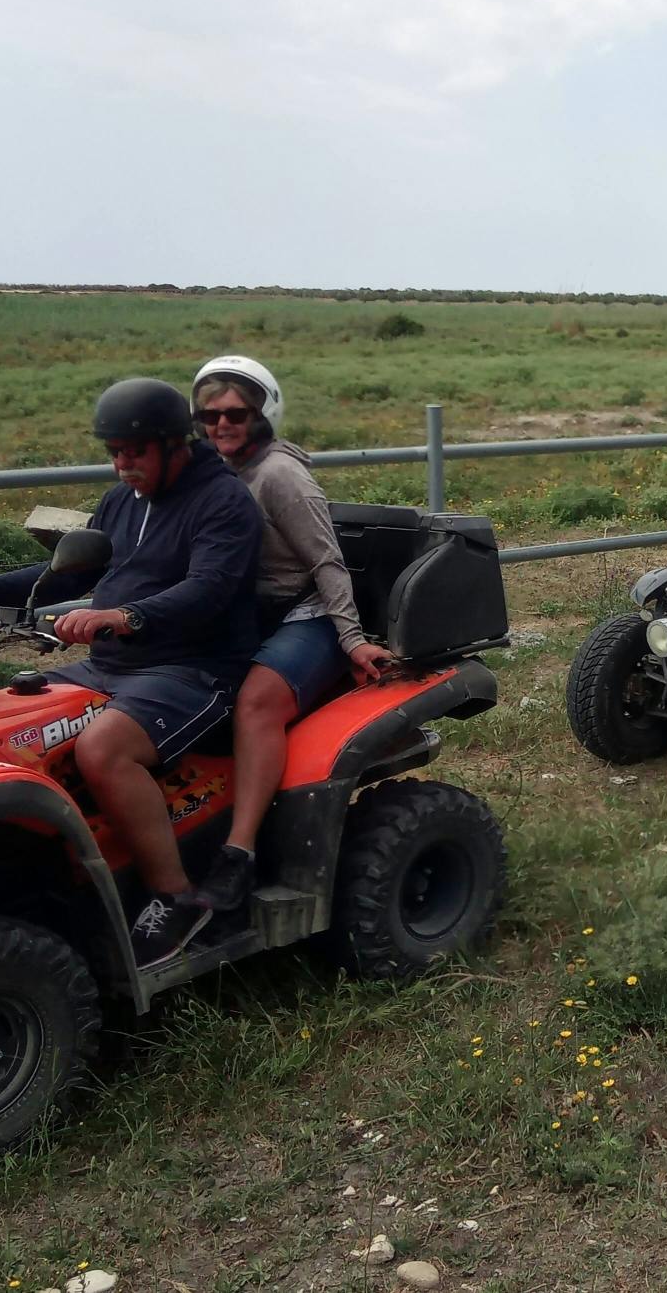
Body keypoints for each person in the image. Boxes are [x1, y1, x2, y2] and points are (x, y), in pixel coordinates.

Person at [0, 379, 262, 969]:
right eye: (113, 451)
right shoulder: (121, 501)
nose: (122, 463)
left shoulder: (222, 501)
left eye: (134, 451)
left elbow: (209, 589)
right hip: (112, 664)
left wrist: (126, 615)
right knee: (2, 728)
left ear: (173, 443)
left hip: (196, 667)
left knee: (103, 749)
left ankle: (177, 896)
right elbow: (65, 574)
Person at [186, 355, 393, 915]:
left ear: (262, 414)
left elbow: (327, 562)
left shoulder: (279, 474)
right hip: (245, 614)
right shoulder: (212, 470)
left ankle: (238, 851)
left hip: (307, 614)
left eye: (235, 414)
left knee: (256, 704)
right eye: (209, 416)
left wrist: (351, 639)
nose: (222, 425)